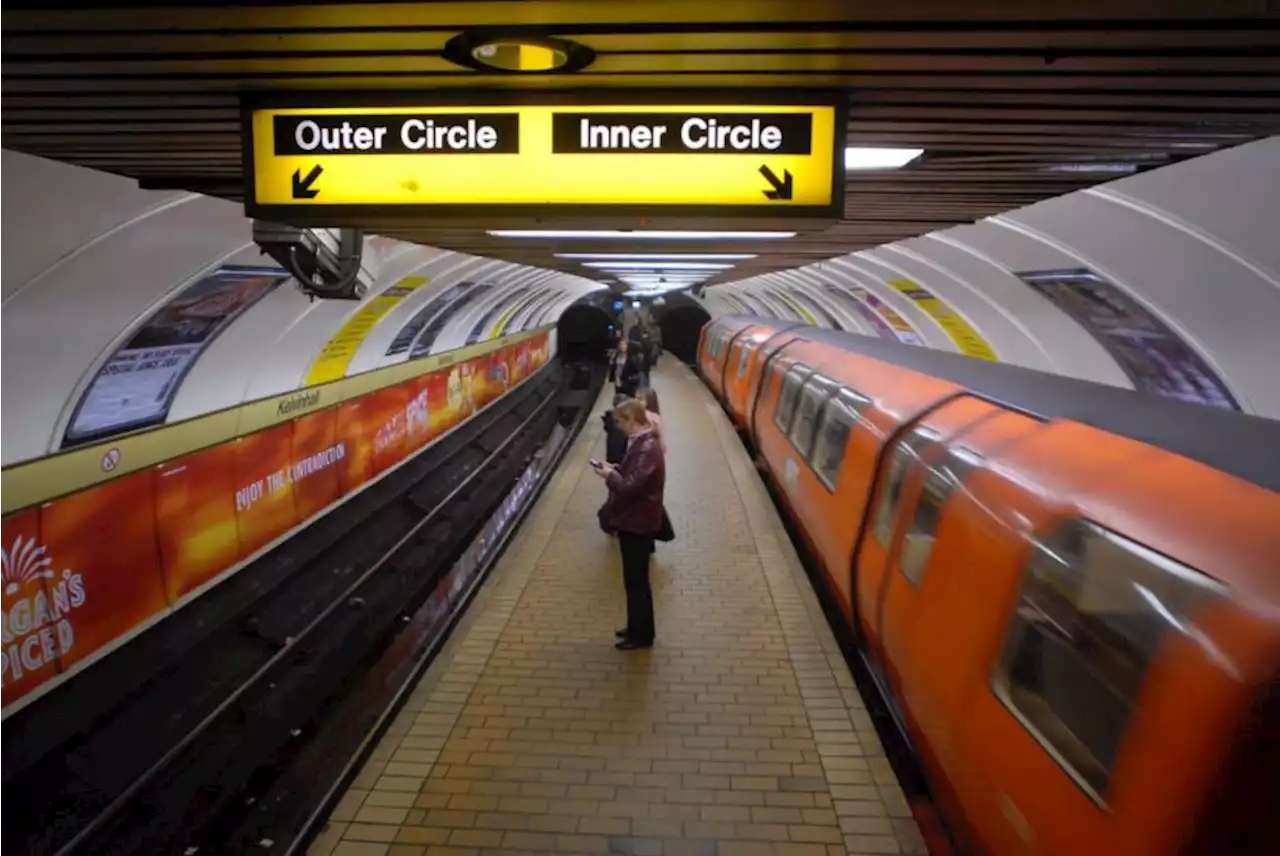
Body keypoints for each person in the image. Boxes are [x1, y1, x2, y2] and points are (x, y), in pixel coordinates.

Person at [594, 399, 665, 650]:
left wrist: (610, 475)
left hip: (638, 522)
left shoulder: (646, 448)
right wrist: (615, 468)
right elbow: (633, 476)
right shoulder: (642, 444)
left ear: (632, 421)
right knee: (633, 580)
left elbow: (629, 487)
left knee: (637, 581)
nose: (619, 427)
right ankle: (636, 626)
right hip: (635, 521)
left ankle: (642, 635)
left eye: (621, 421)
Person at [636, 388, 664, 453]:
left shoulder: (645, 415)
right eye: (636, 398)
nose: (636, 401)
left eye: (640, 399)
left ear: (649, 401)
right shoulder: (657, 416)